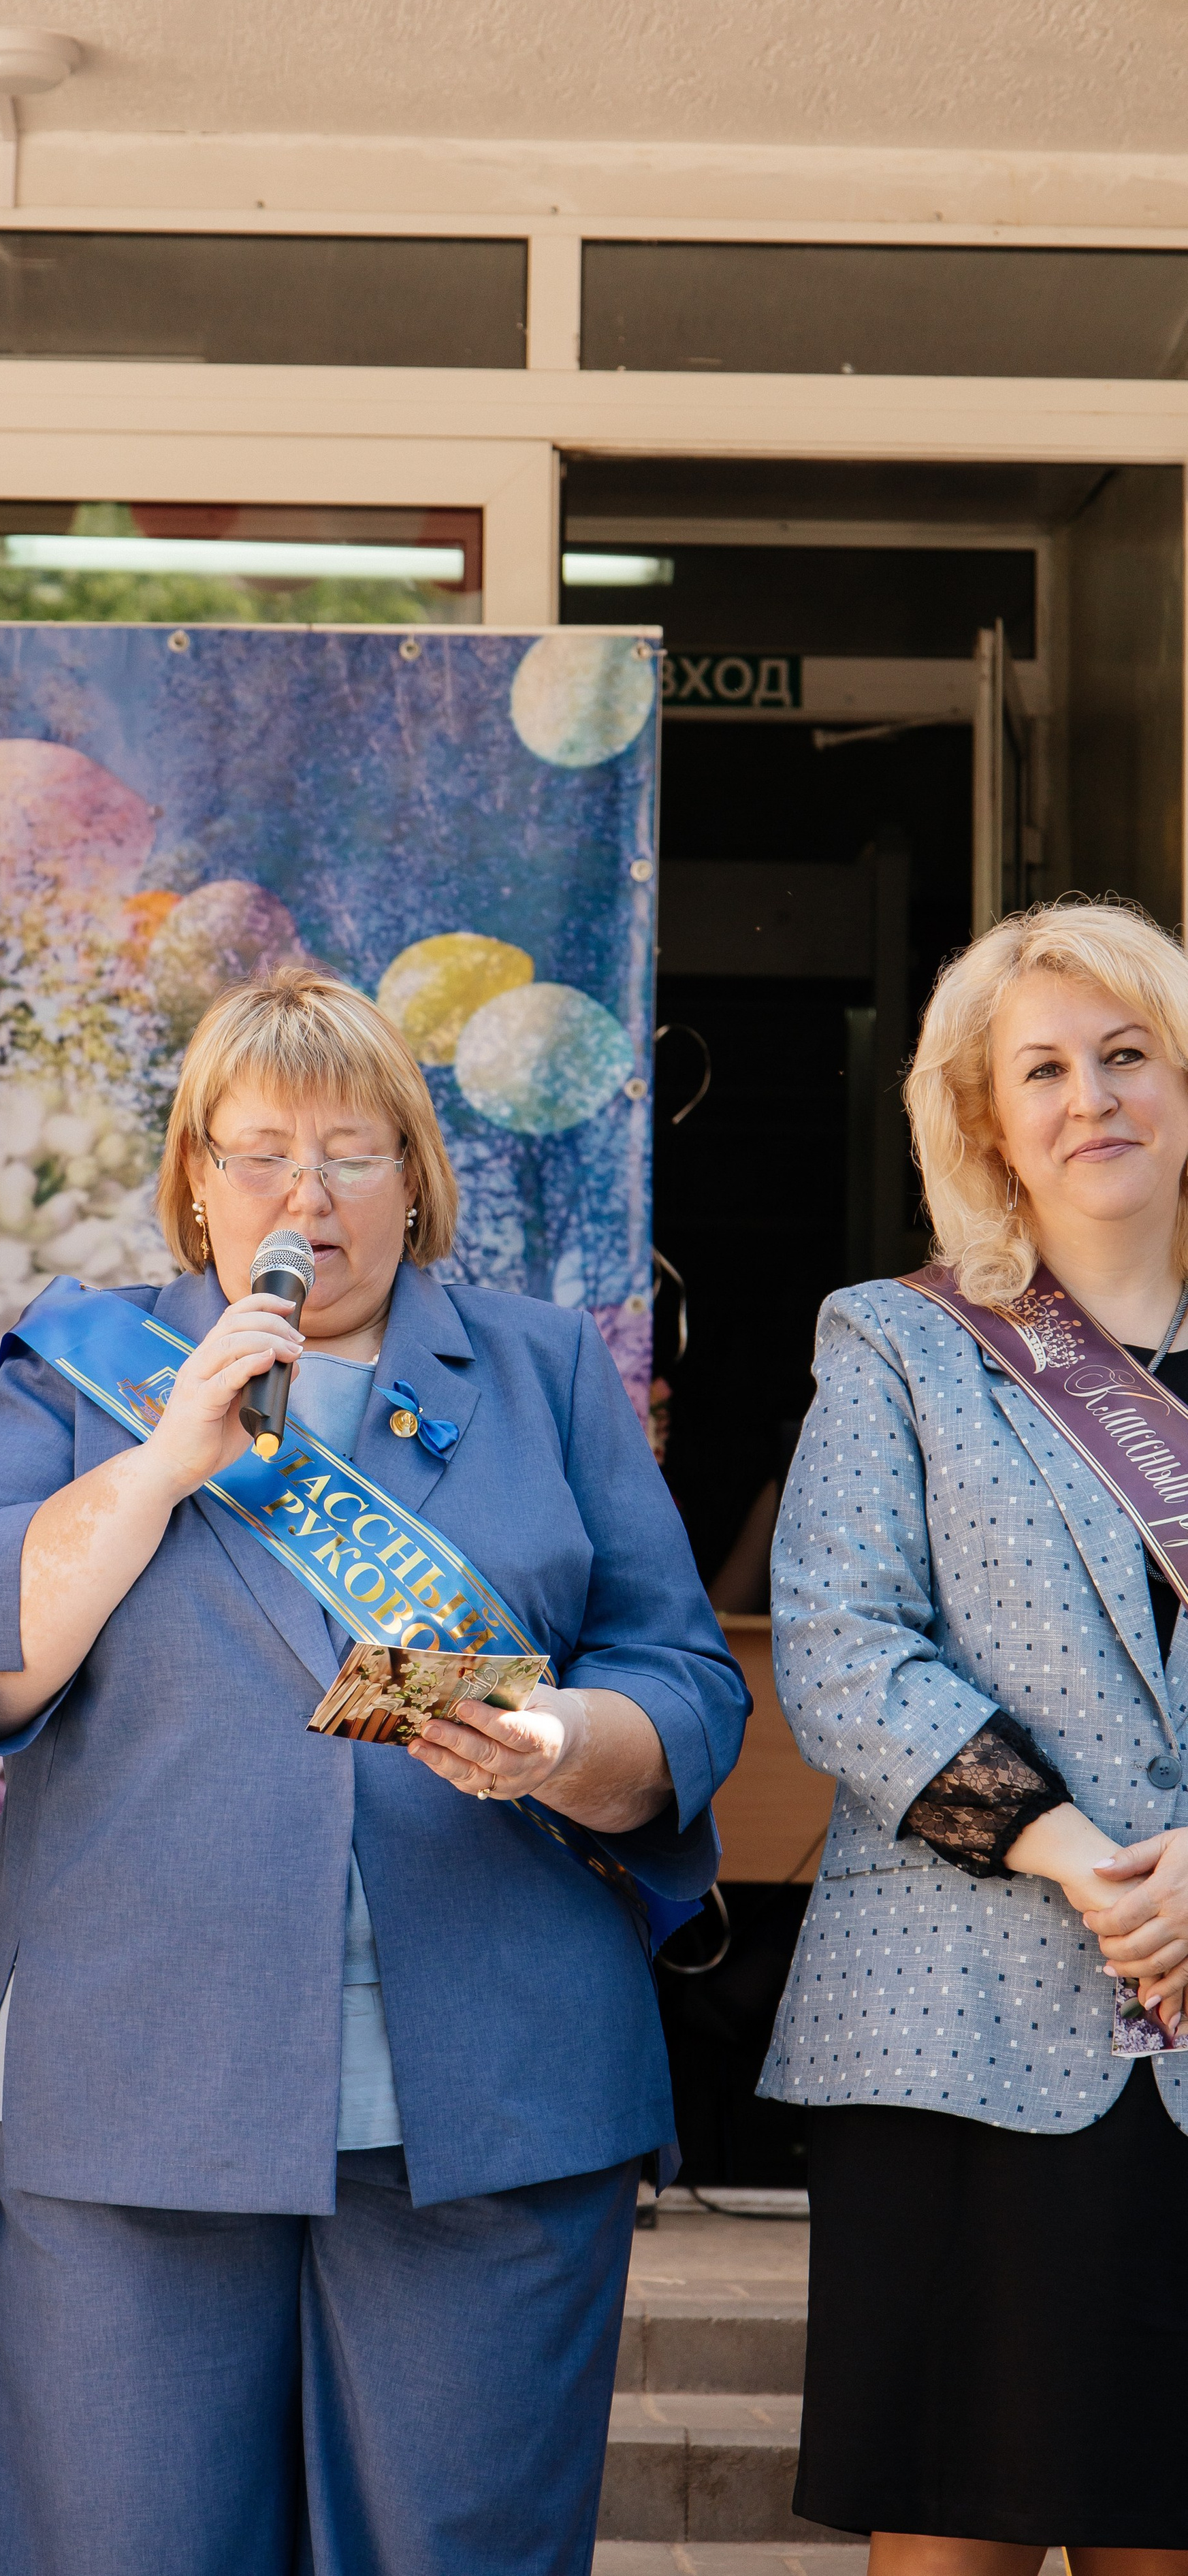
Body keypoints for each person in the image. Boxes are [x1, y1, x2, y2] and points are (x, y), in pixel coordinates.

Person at [0, 965, 750, 2576]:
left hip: (487, 2100)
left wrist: (564, 1748)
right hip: (125, 2092)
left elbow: (683, 1685)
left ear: (415, 1176)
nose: (303, 1192)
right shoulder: (84, 1372)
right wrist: (154, 1469)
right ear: (192, 1176)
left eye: (349, 1150)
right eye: (258, 1149)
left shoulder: (545, 1368)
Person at [760, 899, 1188, 2569]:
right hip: (954, 2037)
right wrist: (1087, 1858)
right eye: (1042, 1068)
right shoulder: (898, 1345)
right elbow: (843, 1643)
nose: (1089, 1096)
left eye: (1124, 1053)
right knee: (951, 2543)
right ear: (983, 1118)